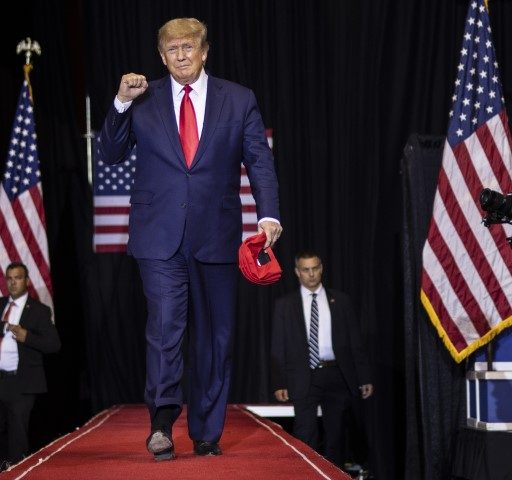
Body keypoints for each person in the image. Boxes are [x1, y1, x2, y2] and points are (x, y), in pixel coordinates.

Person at [98, 17, 282, 461]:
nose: (181, 55)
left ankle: (206, 431)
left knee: (214, 339)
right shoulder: (143, 99)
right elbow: (111, 152)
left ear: (204, 51)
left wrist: (269, 214)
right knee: (164, 327)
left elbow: (258, 160)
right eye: (172, 49)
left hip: (216, 235)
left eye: (188, 47)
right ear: (162, 57)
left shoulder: (238, 100)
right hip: (158, 236)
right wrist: (121, 102)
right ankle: (161, 424)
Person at [270, 252, 373, 468]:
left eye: (315, 268)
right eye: (306, 270)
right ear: (297, 272)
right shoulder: (285, 305)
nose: (311, 274)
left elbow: (355, 342)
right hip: (303, 375)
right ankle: (304, 474)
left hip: (336, 374)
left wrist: (363, 377)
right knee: (305, 434)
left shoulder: (341, 301)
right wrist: (279, 382)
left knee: (336, 436)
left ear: (321, 268)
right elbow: (278, 347)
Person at [0, 262, 60, 469]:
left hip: (22, 382)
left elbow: (53, 345)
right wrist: (4, 326)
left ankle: (18, 468)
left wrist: (27, 336)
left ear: (27, 281)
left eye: (18, 278)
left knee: (18, 431)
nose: (13, 283)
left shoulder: (39, 310)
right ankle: (9, 461)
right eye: (10, 278)